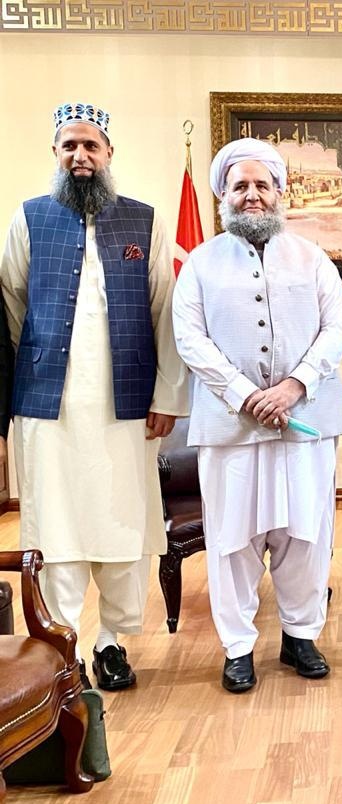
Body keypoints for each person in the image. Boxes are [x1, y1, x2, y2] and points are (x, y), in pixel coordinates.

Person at [0, 103, 187, 691]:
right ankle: (65, 648)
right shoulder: (28, 218)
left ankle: (111, 642)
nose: (80, 156)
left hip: (126, 407)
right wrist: (34, 371)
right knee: (54, 529)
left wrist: (168, 394)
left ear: (109, 154)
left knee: (123, 525)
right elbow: (11, 307)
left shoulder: (144, 221)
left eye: (91, 146)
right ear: (55, 154)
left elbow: (165, 312)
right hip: (47, 408)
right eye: (69, 147)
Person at [172, 138, 342, 692]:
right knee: (233, 540)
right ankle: (238, 648)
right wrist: (243, 392)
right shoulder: (200, 264)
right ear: (223, 196)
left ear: (280, 192)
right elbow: (190, 338)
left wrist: (295, 385)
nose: (252, 195)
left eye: (262, 185)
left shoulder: (314, 258)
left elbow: (336, 328)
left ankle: (301, 636)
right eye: (240, 186)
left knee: (306, 534)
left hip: (306, 421)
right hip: (231, 426)